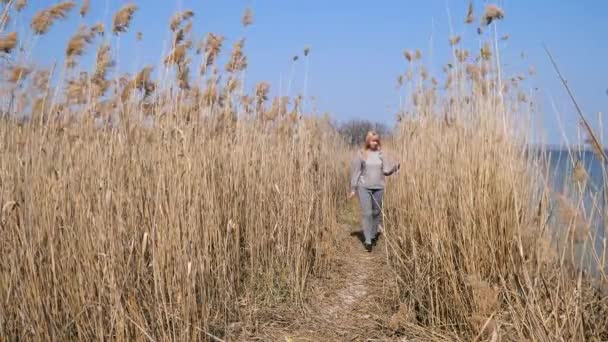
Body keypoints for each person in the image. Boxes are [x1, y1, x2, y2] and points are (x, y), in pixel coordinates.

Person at [348, 131, 400, 252]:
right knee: (367, 213)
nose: (375, 142)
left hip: (379, 187)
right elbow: (356, 172)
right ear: (368, 141)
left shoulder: (381, 154)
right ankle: (368, 240)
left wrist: (395, 167)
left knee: (376, 212)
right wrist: (353, 188)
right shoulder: (361, 154)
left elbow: (386, 171)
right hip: (364, 187)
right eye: (372, 140)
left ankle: (372, 234)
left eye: (377, 140)